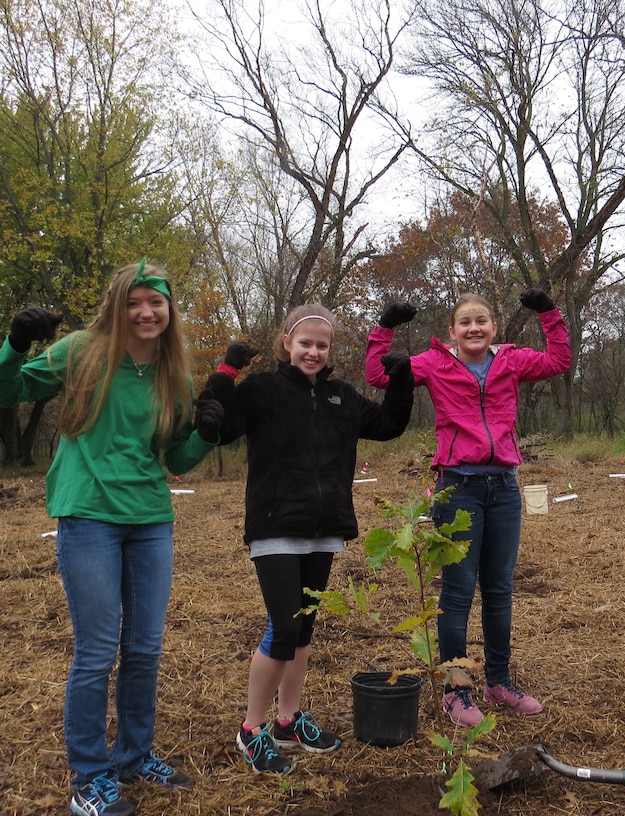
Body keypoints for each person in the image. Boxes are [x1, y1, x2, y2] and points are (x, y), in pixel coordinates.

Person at [0, 261, 224, 816]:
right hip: (88, 513)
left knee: (144, 649)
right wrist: (15, 341)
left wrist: (208, 435)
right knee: (96, 653)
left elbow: (175, 457)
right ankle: (90, 777)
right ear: (117, 306)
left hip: (149, 519)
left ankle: (135, 757)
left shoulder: (175, 376)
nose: (146, 312)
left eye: (156, 303)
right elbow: (5, 394)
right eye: (135, 302)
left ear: (169, 310)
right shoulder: (80, 351)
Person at [202, 304, 414, 774]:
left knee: (303, 629)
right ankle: (251, 729)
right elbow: (219, 427)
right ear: (287, 344)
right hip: (275, 526)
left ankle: (288, 719)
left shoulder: (342, 396)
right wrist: (227, 370)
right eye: (305, 343)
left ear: (330, 349)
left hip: (324, 528)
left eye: (322, 345)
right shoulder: (262, 389)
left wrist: (401, 379)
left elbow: (388, 425)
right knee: (283, 627)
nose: (313, 352)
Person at [365, 289, 571, 726]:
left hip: (505, 489)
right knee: (457, 593)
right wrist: (385, 326)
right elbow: (378, 377)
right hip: (457, 487)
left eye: (482, 321)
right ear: (452, 332)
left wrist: (548, 314)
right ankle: (457, 690)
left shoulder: (512, 361)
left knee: (499, 591)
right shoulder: (434, 364)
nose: (474, 328)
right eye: (465, 322)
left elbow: (559, 362)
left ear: (494, 327)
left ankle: (499, 681)